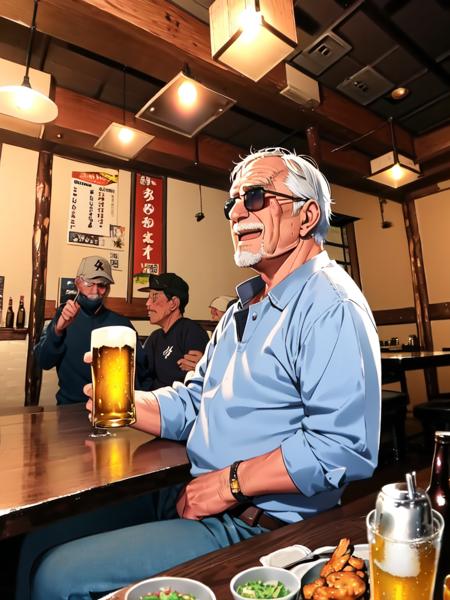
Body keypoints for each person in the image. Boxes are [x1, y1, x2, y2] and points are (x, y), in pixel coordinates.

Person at [20, 148, 381, 600]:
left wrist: (230, 484)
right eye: (231, 203)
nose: (235, 213)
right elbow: (195, 400)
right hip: (189, 491)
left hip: (253, 524)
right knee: (38, 540)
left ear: (307, 216)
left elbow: (342, 447)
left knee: (57, 574)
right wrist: (128, 402)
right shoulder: (239, 310)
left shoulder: (330, 305)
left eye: (253, 197)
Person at [35, 255, 147, 404]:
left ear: (107, 289)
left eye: (101, 285)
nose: (95, 290)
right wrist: (58, 330)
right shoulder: (62, 316)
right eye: (89, 283)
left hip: (111, 409)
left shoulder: (122, 324)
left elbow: (141, 374)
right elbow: (43, 362)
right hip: (69, 408)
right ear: (77, 283)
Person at [140, 272, 209, 389]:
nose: (148, 303)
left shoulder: (192, 332)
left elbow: (198, 383)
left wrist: (203, 369)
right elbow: (142, 374)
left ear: (173, 303)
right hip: (155, 402)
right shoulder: (155, 338)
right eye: (148, 297)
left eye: (154, 297)